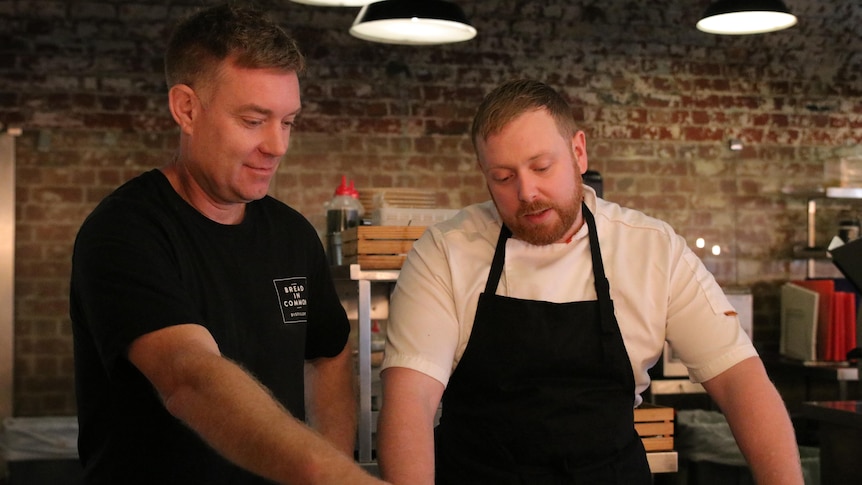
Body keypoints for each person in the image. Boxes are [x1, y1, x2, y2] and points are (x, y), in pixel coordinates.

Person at [376, 79, 804, 484]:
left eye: (542, 167)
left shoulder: (651, 250)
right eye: (503, 177)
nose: (527, 192)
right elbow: (410, 402)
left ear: (579, 152)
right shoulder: (446, 252)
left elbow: (739, 381)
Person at [69, 4, 386, 485]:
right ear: (187, 109)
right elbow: (189, 376)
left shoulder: (292, 235)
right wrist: (328, 474)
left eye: (288, 122)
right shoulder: (125, 231)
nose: (277, 146)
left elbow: (329, 350)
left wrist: (333, 453)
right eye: (254, 120)